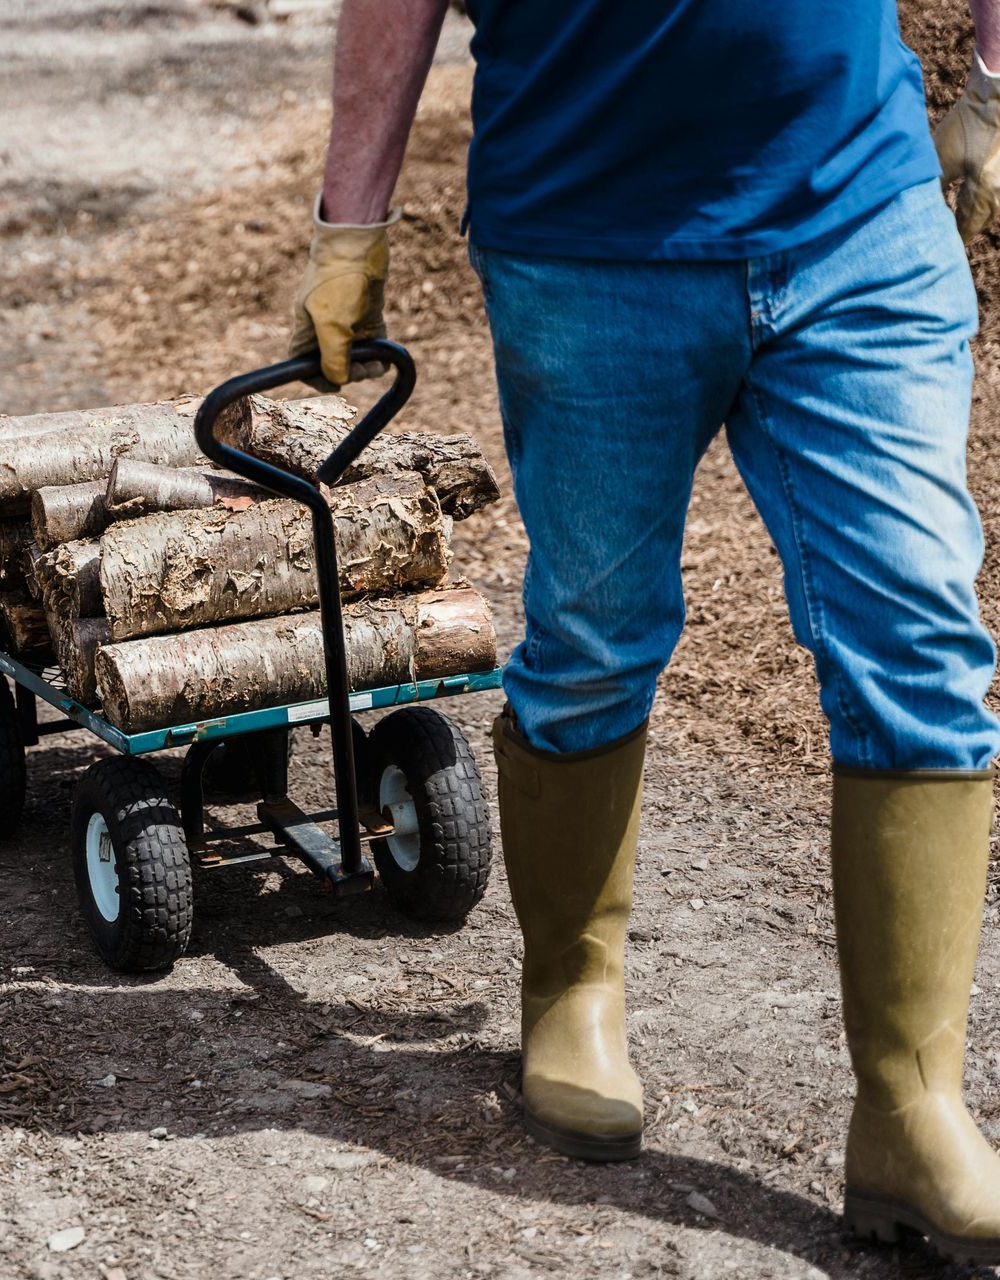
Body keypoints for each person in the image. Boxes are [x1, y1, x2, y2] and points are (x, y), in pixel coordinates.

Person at [295, 0, 1000, 1264]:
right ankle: (571, 986)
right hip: (588, 233)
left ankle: (912, 1107)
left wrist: (991, 84)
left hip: (859, 213)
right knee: (593, 639)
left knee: (923, 645)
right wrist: (353, 220)